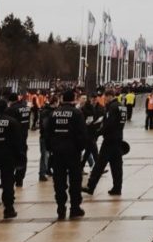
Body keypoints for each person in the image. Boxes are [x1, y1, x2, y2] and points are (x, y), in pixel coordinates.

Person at [45, 89, 87, 220]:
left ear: (62, 99)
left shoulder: (54, 114)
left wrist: (51, 148)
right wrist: (80, 148)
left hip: (57, 152)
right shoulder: (77, 113)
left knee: (59, 181)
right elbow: (82, 133)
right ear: (74, 98)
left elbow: (47, 133)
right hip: (72, 151)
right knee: (75, 180)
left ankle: (61, 208)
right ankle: (75, 207)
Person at [84, 87, 125, 195]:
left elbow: (108, 124)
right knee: (117, 166)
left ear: (109, 96)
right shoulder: (122, 106)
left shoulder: (111, 107)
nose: (104, 100)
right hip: (118, 139)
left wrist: (98, 133)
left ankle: (90, 186)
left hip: (109, 140)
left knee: (99, 165)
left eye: (105, 97)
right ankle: (117, 188)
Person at [9, 91, 32, 186]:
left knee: (11, 158)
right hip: (24, 136)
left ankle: (10, 178)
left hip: (14, 137)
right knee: (22, 158)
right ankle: (20, 179)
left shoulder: (11, 109)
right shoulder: (26, 108)